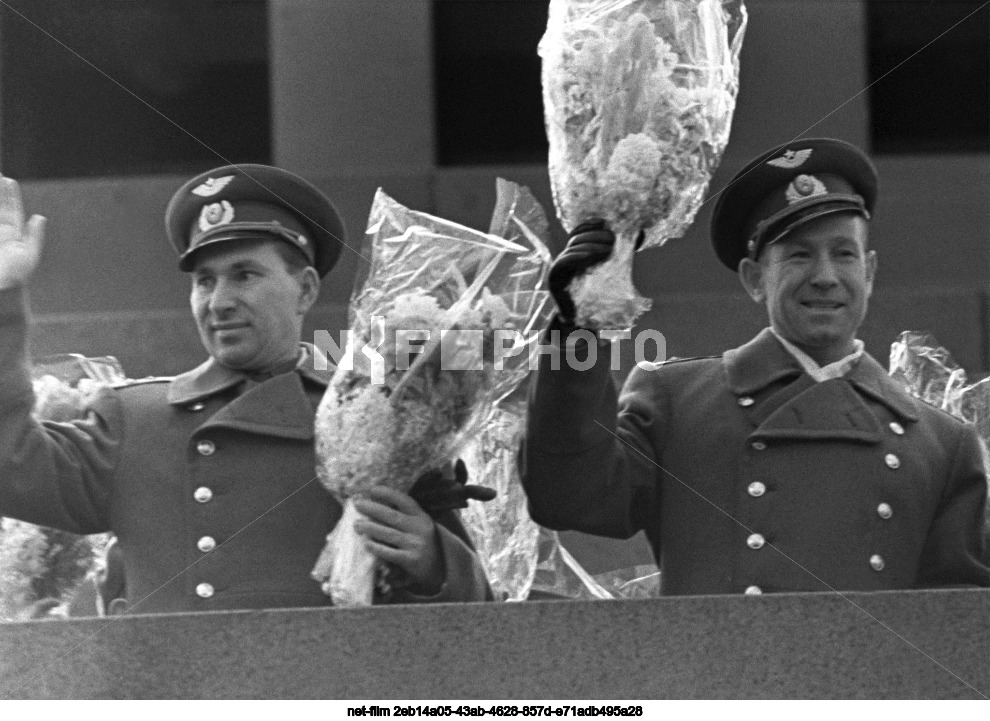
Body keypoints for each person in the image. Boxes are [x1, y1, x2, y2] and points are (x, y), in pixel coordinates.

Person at [0, 164, 492, 613]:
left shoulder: (385, 413)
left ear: (305, 290)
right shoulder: (134, 417)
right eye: (204, 280)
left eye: (245, 275)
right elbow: (11, 465)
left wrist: (431, 558)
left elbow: (474, 609)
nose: (219, 301)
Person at [521, 138, 989, 596]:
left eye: (843, 254)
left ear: (868, 272)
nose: (825, 276)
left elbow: (956, 630)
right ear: (753, 279)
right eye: (799, 255)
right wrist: (576, 329)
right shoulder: (676, 402)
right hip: (717, 674)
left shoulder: (944, 445)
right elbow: (568, 495)